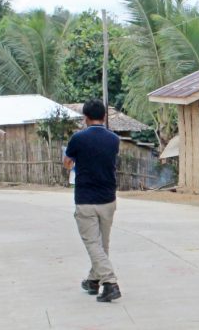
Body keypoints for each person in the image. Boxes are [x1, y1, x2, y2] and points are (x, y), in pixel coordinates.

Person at [63, 99, 121, 302]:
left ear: (85, 118)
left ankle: (110, 282)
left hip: (86, 199)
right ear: (104, 116)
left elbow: (67, 163)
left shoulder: (78, 139)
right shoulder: (114, 139)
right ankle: (93, 280)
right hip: (108, 198)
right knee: (102, 243)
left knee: (93, 243)